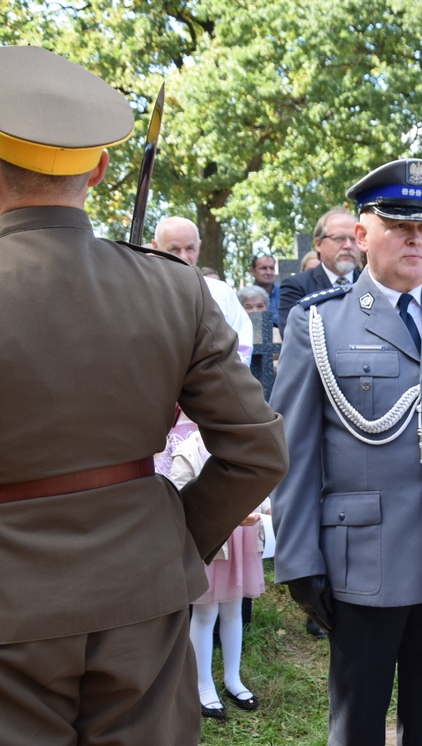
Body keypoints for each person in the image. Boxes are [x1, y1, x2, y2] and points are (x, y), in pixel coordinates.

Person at [0, 44, 287, 746]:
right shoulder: (173, 287)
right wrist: (170, 542)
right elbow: (257, 451)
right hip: (143, 596)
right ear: (99, 168)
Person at [270, 158, 422, 746]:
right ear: (362, 236)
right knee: (358, 725)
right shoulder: (320, 324)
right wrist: (299, 561)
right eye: (399, 226)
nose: (416, 239)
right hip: (364, 560)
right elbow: (293, 453)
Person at [168, 430, 266, 720]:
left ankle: (232, 678)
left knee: (233, 609)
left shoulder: (240, 445)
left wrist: (264, 509)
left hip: (240, 538)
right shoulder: (189, 451)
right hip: (210, 541)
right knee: (205, 613)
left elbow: (259, 483)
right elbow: (179, 498)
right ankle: (202, 683)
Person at [151, 216, 254, 363]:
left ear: (198, 246)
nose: (183, 257)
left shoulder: (221, 292)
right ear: (155, 247)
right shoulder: (144, 292)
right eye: (174, 249)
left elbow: (241, 348)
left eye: (190, 248)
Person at [277, 208, 362, 336]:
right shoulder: (297, 286)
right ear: (318, 244)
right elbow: (293, 335)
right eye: (339, 238)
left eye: (354, 239)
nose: (348, 245)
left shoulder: (374, 283)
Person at [250, 254, 280, 328]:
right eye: (263, 268)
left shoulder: (285, 295)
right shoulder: (244, 297)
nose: (268, 272)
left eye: (271, 268)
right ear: (252, 272)